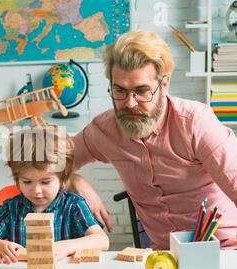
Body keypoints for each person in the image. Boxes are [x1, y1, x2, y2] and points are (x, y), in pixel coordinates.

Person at [71, 30, 237, 250]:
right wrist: (74, 181)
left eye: (141, 91)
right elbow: (43, 163)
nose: (129, 103)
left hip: (225, 250)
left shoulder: (196, 123)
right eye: (120, 90)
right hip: (163, 255)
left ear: (164, 84)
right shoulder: (104, 130)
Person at [0, 125, 109, 263]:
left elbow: (102, 240)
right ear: (17, 180)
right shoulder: (11, 209)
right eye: (27, 182)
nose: (36, 190)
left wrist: (66, 247)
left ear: (63, 179)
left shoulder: (73, 205)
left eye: (45, 182)